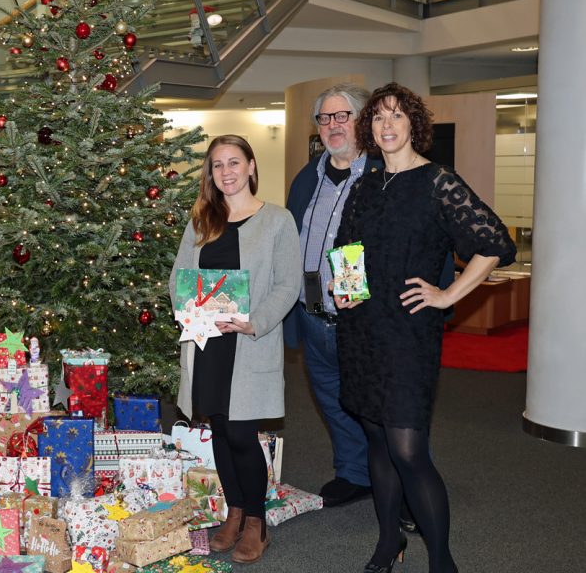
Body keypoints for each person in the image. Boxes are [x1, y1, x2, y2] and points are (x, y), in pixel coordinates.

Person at [334, 82, 516, 573]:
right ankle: (389, 541)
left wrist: (448, 294)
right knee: (376, 440)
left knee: (408, 450)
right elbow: (346, 249)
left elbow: (494, 243)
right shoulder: (365, 184)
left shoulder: (438, 181)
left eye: (396, 116)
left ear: (414, 124)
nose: (386, 125)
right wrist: (344, 290)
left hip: (409, 333)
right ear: (368, 129)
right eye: (377, 118)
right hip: (361, 330)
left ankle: (442, 560)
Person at [169, 135, 300, 564]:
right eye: (218, 165)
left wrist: (254, 322)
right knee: (221, 432)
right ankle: (234, 512)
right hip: (207, 343)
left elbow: (287, 284)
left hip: (247, 341)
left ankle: (257, 523)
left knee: (243, 434)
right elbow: (178, 280)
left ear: (251, 166)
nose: (226, 172)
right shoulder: (201, 220)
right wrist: (190, 313)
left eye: (234, 163)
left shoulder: (277, 220)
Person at [282, 83, 374, 507]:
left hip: (363, 317)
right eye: (325, 118)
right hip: (313, 311)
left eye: (343, 116)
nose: (333, 125)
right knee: (332, 402)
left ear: (363, 121)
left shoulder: (382, 176)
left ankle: (403, 488)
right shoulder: (308, 176)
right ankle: (355, 474)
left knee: (379, 408)